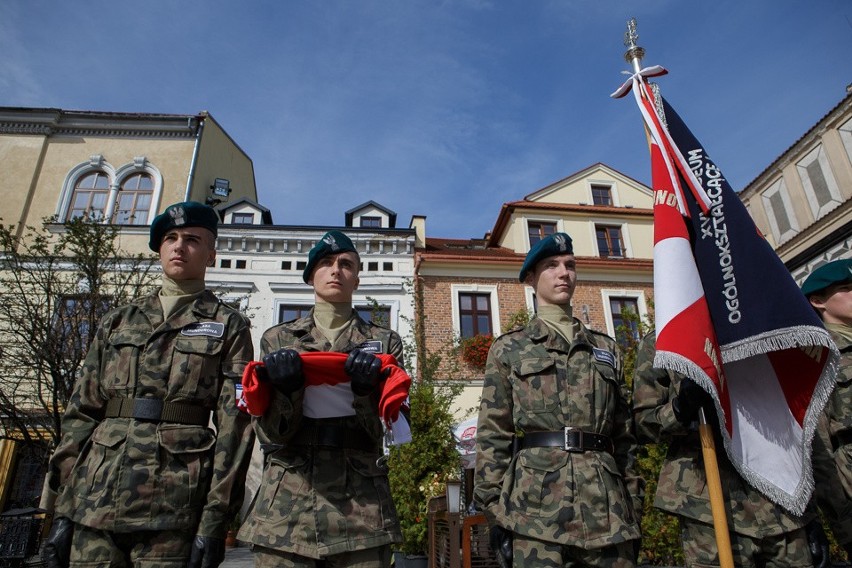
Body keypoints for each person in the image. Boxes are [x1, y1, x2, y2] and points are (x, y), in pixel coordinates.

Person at [40, 201, 256, 568]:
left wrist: (215, 522)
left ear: (212, 254)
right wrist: (60, 509)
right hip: (95, 501)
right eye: (170, 238)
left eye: (192, 239)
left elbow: (235, 429)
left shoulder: (228, 325)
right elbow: (81, 414)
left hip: (174, 506)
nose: (178, 246)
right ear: (159, 249)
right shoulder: (117, 321)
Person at [474, 232, 643, 568]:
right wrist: (496, 515)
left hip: (607, 513)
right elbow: (493, 434)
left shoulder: (606, 349)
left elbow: (625, 437)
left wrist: (633, 508)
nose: (564, 272)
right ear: (532, 279)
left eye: (570, 265)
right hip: (534, 514)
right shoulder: (510, 348)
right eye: (551, 266)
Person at [239, 230, 403, 567]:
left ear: (357, 278)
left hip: (361, 508)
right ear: (311, 276)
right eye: (325, 263)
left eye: (346, 264)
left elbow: (391, 429)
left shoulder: (384, 342)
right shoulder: (279, 339)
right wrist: (288, 391)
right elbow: (270, 433)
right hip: (288, 503)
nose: (336, 270)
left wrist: (363, 393)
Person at [632, 331, 833, 568]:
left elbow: (796, 429)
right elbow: (643, 423)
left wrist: (811, 518)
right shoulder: (668, 334)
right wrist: (680, 408)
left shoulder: (766, 328)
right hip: (710, 509)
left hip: (783, 509)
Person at [802, 258, 852, 559]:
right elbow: (818, 446)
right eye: (846, 289)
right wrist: (844, 522)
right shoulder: (818, 356)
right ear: (819, 301)